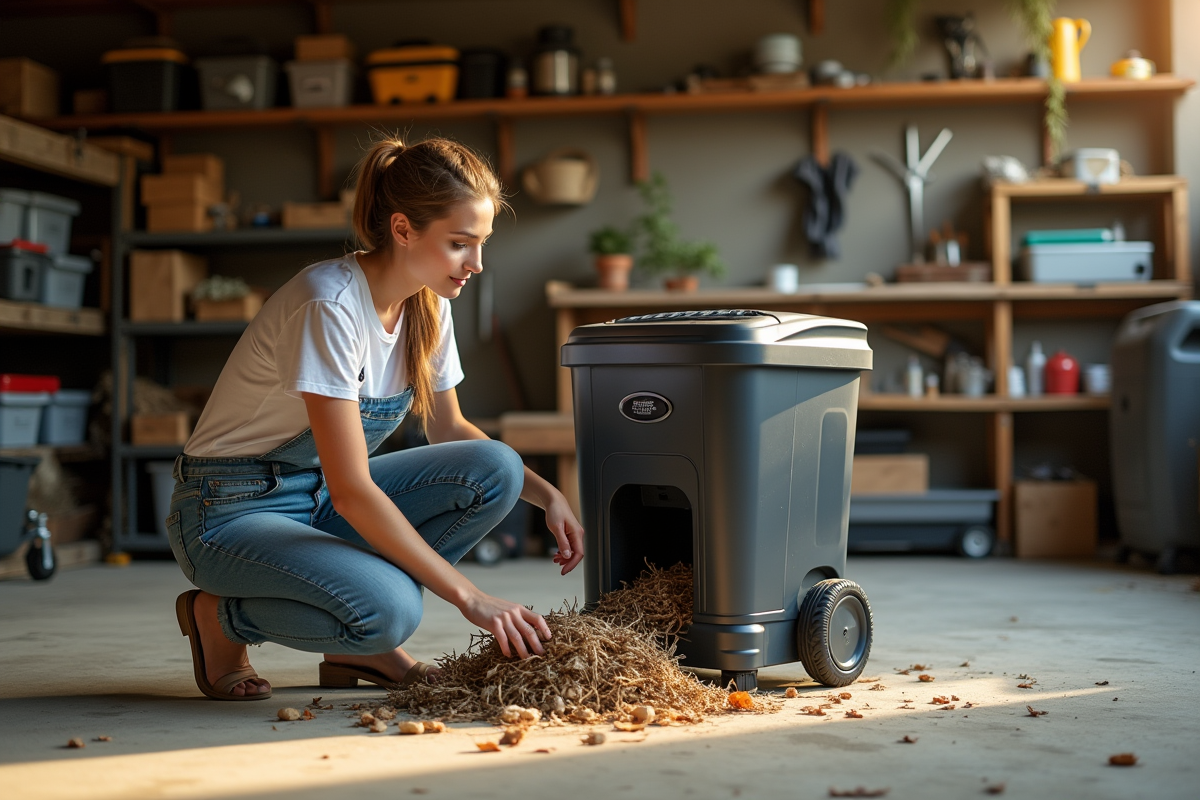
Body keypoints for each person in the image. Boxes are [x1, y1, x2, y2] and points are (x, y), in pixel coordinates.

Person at [167, 137, 584, 701]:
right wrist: (471, 597)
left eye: (481, 244)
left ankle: (356, 641)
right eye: (459, 244)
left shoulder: (429, 300)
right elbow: (352, 492)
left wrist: (548, 496)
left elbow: (449, 428)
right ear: (403, 229)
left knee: (497, 468)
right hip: (229, 511)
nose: (476, 264)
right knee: (391, 612)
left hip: (315, 494)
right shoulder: (330, 305)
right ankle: (220, 620)